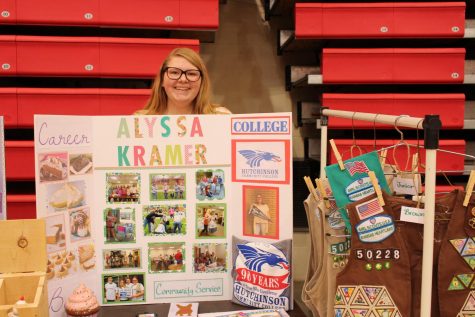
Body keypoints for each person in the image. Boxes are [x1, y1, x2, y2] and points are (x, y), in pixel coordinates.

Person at [135, 47, 231, 115]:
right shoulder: (139, 122)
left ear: (202, 82)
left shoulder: (222, 118)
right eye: (174, 72)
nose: (183, 79)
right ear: (162, 80)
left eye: (191, 74)